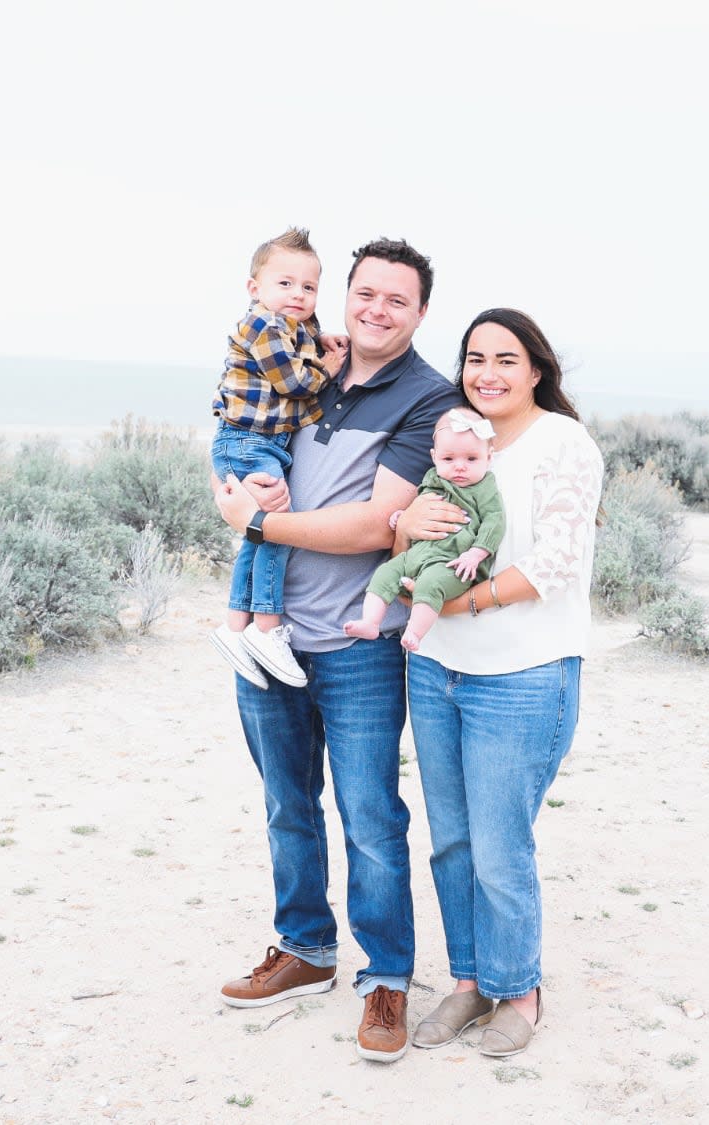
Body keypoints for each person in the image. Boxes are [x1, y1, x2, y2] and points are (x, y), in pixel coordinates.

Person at [213, 238, 462, 1063]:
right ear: (346, 296)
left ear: (420, 312)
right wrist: (237, 490)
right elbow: (241, 439)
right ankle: (305, 950)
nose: (377, 309)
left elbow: (372, 524)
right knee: (287, 806)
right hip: (270, 638)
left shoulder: (428, 398)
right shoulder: (308, 363)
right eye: (366, 293)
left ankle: (385, 976)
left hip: (359, 647)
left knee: (370, 820)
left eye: (397, 299)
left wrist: (254, 522)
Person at [400, 308, 604, 1058]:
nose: (487, 373)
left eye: (505, 359)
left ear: (536, 370)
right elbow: (415, 534)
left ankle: (519, 988)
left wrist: (467, 600)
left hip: (523, 674)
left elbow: (555, 562)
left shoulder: (562, 443)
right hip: (435, 668)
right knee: (450, 841)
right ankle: (468, 981)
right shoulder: (456, 436)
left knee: (498, 844)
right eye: (474, 358)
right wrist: (408, 527)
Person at [210, 227, 346, 691]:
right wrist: (327, 369)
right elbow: (293, 383)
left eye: (308, 287)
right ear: (256, 289)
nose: (298, 295)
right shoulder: (262, 326)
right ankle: (266, 629)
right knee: (275, 529)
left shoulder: (294, 327)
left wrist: (321, 338)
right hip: (248, 441)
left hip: (258, 443)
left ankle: (235, 626)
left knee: (257, 533)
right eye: (285, 284)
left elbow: (304, 339)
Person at [344, 406, 505, 652]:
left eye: (471, 459)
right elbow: (421, 504)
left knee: (430, 584)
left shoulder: (484, 487)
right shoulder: (433, 478)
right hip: (418, 554)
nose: (459, 467)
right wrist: (404, 516)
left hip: (454, 562)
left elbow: (494, 520)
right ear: (434, 456)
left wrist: (477, 553)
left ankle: (415, 632)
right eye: (448, 459)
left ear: (489, 457)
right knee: (385, 573)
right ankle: (370, 622)